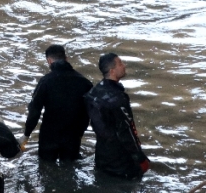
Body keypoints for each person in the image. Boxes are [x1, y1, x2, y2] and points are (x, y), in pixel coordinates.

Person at [20, 44, 93, 161]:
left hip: (49, 135)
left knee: (45, 168)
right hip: (73, 136)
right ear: (66, 58)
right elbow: (90, 112)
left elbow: (35, 110)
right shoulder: (84, 82)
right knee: (70, 169)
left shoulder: (46, 81)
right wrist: (80, 132)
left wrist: (27, 134)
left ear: (49, 61)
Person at [84, 52, 149, 180]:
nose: (124, 65)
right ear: (112, 70)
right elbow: (127, 131)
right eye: (120, 63)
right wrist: (140, 157)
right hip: (120, 159)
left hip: (101, 155)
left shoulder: (93, 92)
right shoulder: (117, 98)